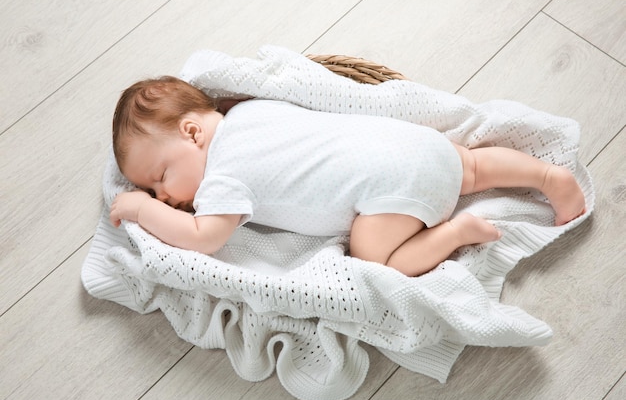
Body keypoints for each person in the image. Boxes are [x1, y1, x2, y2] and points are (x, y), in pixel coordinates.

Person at [109, 76, 586, 277]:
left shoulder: (222, 178)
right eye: (154, 192)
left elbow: (204, 238)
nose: (164, 195)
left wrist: (141, 209)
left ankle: (454, 233)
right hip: (413, 144)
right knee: (474, 166)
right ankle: (547, 176)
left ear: (193, 133)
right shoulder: (252, 109)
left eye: (160, 178)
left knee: (372, 257)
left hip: (389, 192)